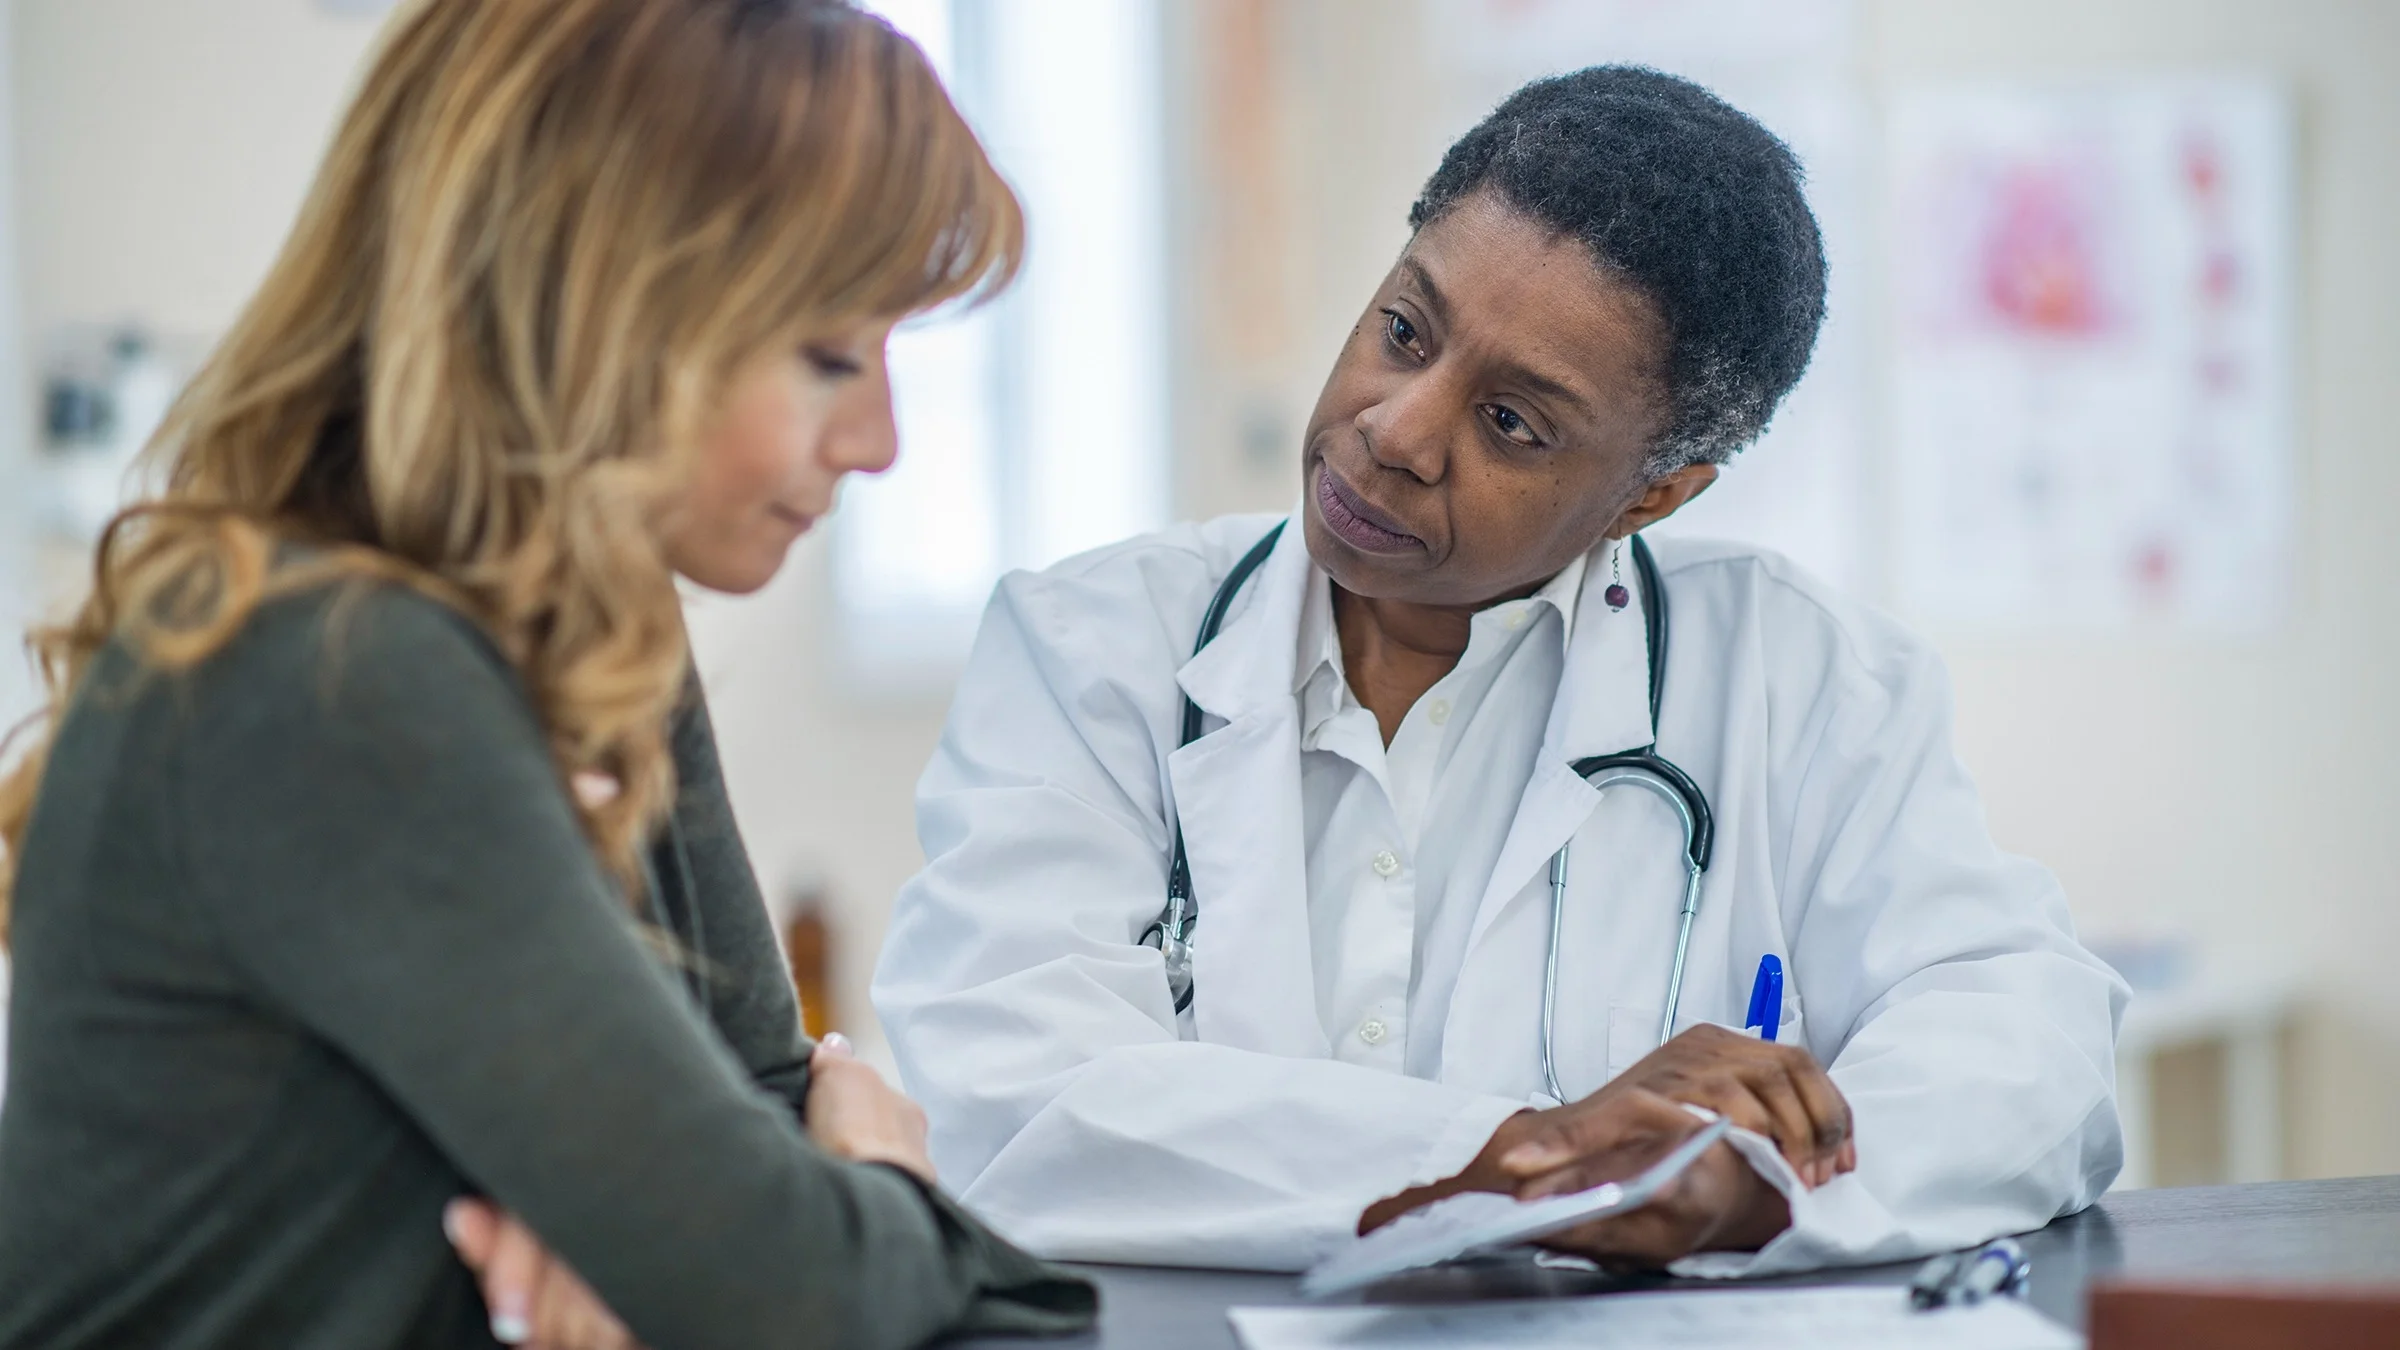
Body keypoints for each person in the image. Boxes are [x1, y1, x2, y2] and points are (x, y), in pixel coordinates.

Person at [873, 66, 2129, 1276]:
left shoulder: (1801, 680)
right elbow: (1008, 1096)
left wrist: (1752, 1187)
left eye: (1512, 423)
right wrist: (1535, 1160)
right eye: (1405, 330)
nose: (1396, 430)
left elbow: (2028, 1042)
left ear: (1654, 493)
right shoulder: (1091, 647)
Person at [0, 2, 1094, 1347]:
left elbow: (767, 1160)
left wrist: (752, 1236)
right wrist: (877, 1179)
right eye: (825, 357)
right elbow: (782, 1274)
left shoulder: (596, 620)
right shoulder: (329, 673)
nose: (879, 441)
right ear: (599, 311)